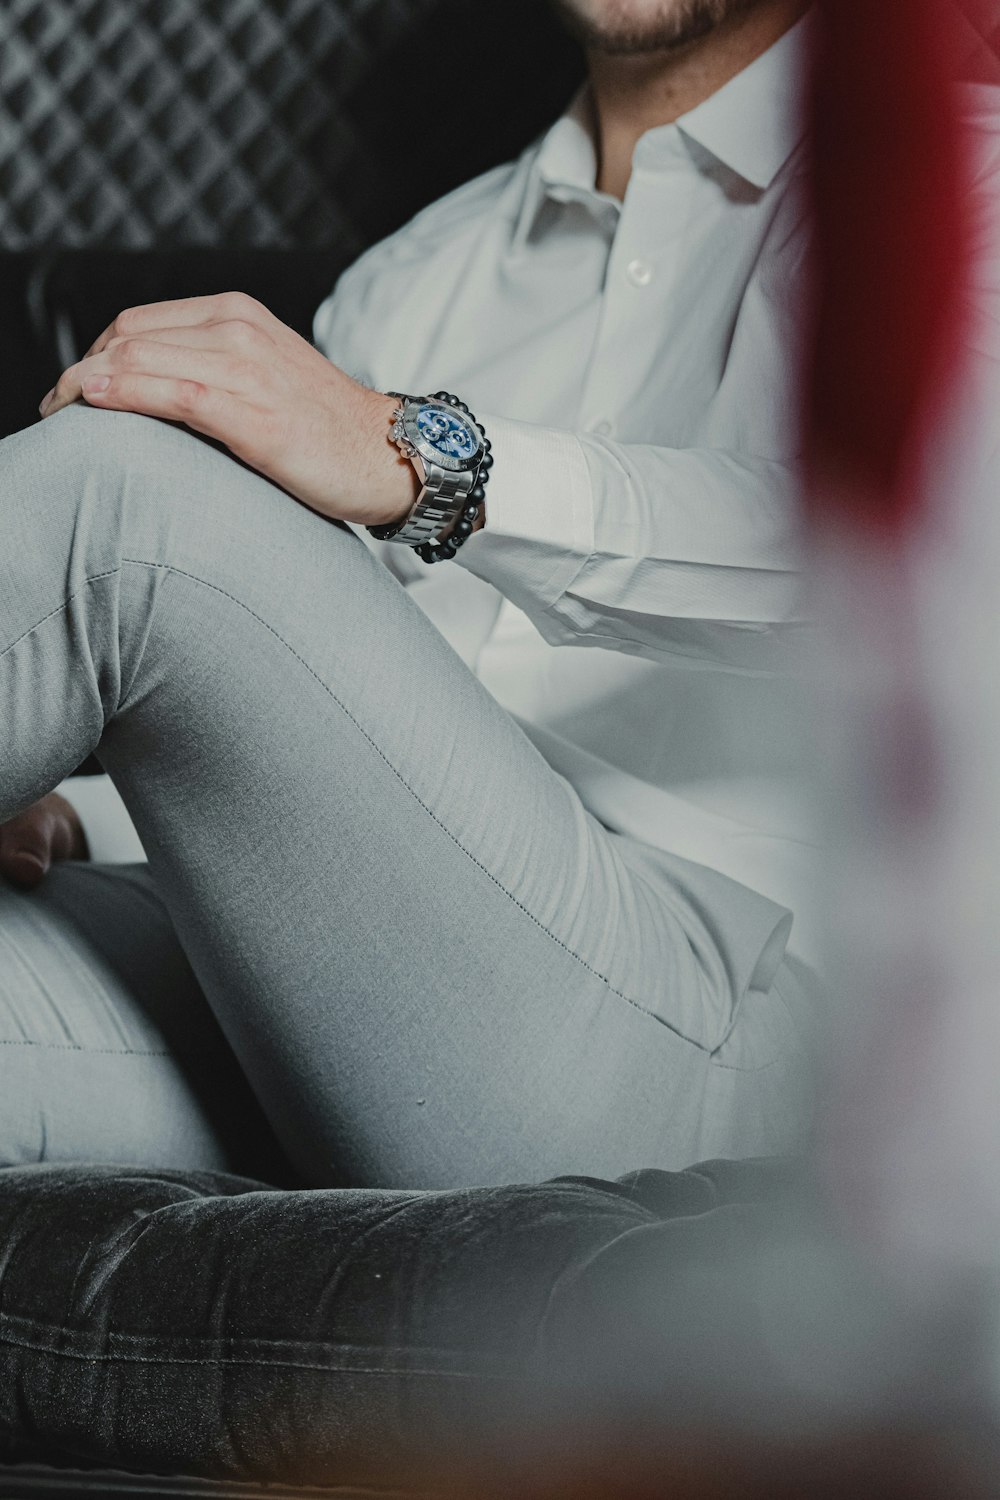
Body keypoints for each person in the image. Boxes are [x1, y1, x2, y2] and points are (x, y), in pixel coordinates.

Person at [0, 0, 821, 1189]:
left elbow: (893, 557)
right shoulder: (415, 277)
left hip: (742, 1041)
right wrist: (79, 816)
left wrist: (424, 459)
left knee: (130, 501)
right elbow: (352, 746)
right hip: (387, 1007)